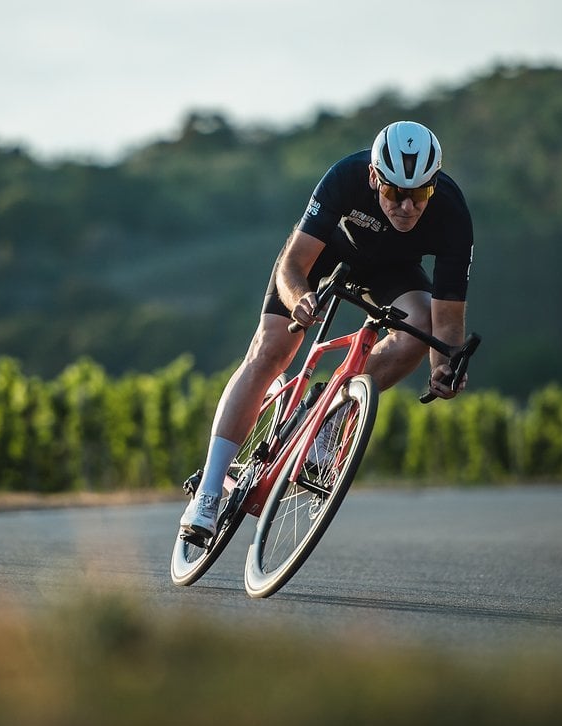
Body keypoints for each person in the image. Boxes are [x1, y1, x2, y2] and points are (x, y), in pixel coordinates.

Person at [180, 120, 474, 542]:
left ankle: (330, 414)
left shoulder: (452, 213)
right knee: (272, 348)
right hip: (323, 255)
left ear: (434, 184)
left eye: (419, 194)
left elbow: (447, 321)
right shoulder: (345, 177)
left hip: (394, 271)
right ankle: (208, 491)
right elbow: (293, 265)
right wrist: (300, 297)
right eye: (394, 193)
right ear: (375, 178)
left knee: (420, 326)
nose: (407, 207)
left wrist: (444, 367)